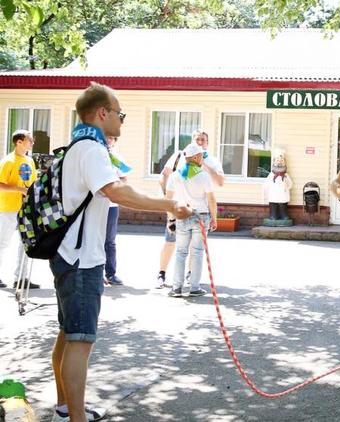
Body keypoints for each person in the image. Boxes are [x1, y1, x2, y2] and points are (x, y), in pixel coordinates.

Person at [50, 82, 191, 422]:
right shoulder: (92, 149)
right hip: (81, 259)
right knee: (80, 341)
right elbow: (118, 193)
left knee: (69, 333)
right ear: (102, 113)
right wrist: (171, 204)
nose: (122, 120)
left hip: (68, 254)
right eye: (119, 113)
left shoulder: (79, 146)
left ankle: (65, 407)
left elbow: (121, 187)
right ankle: (76, 417)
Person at [156, 129, 224, 288]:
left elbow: (220, 182)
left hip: (197, 211)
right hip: (177, 210)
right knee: (172, 243)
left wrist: (203, 164)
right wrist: (167, 201)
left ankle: (186, 280)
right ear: (192, 141)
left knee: (192, 249)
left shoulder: (211, 161)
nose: (200, 142)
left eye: (203, 140)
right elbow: (164, 175)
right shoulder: (179, 156)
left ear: (207, 143)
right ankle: (163, 274)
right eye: (197, 140)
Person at [165, 142, 217, 297]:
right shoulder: (203, 176)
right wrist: (214, 218)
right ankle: (194, 287)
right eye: (201, 156)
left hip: (182, 215)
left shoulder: (175, 175)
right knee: (197, 252)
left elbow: (168, 200)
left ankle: (176, 288)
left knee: (181, 252)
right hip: (201, 216)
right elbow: (212, 200)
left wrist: (171, 220)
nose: (202, 158)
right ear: (195, 157)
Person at [0, 129, 37, 289]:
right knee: (2, 243)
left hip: (26, 209)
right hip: (8, 208)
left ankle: (21, 279)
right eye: (30, 139)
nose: (32, 142)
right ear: (19, 142)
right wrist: (20, 190)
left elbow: (33, 184)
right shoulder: (8, 161)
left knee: (26, 244)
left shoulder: (30, 161)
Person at [103, 136, 129, 286]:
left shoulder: (116, 157)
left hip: (111, 205)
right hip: (95, 204)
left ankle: (111, 274)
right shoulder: (97, 154)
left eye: (112, 138)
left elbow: (124, 179)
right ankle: (96, 274)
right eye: (106, 137)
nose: (109, 140)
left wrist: (117, 185)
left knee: (110, 241)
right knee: (94, 240)